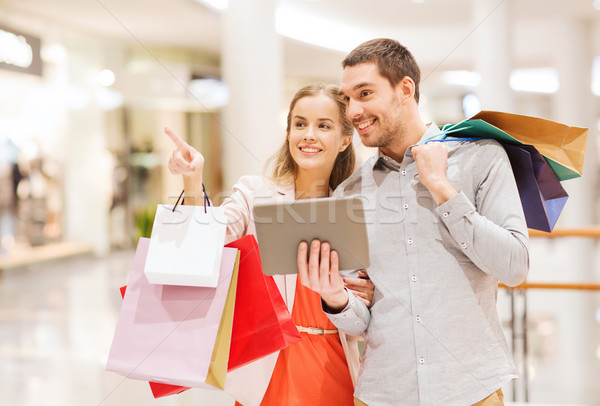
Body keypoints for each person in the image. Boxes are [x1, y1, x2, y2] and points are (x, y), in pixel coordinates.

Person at [297, 39, 530, 406]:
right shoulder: (350, 193)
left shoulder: (481, 158)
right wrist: (334, 296)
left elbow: (514, 267)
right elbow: (360, 323)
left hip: (470, 390)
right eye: (347, 99)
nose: (353, 110)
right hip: (383, 393)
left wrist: (442, 188)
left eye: (365, 93)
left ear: (405, 89)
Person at [166, 82, 375, 406]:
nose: (308, 134)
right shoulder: (255, 194)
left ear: (345, 139)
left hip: (334, 368)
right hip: (267, 369)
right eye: (300, 124)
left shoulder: (359, 206)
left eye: (323, 126)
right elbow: (204, 240)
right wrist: (193, 181)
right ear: (289, 132)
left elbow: (369, 307)